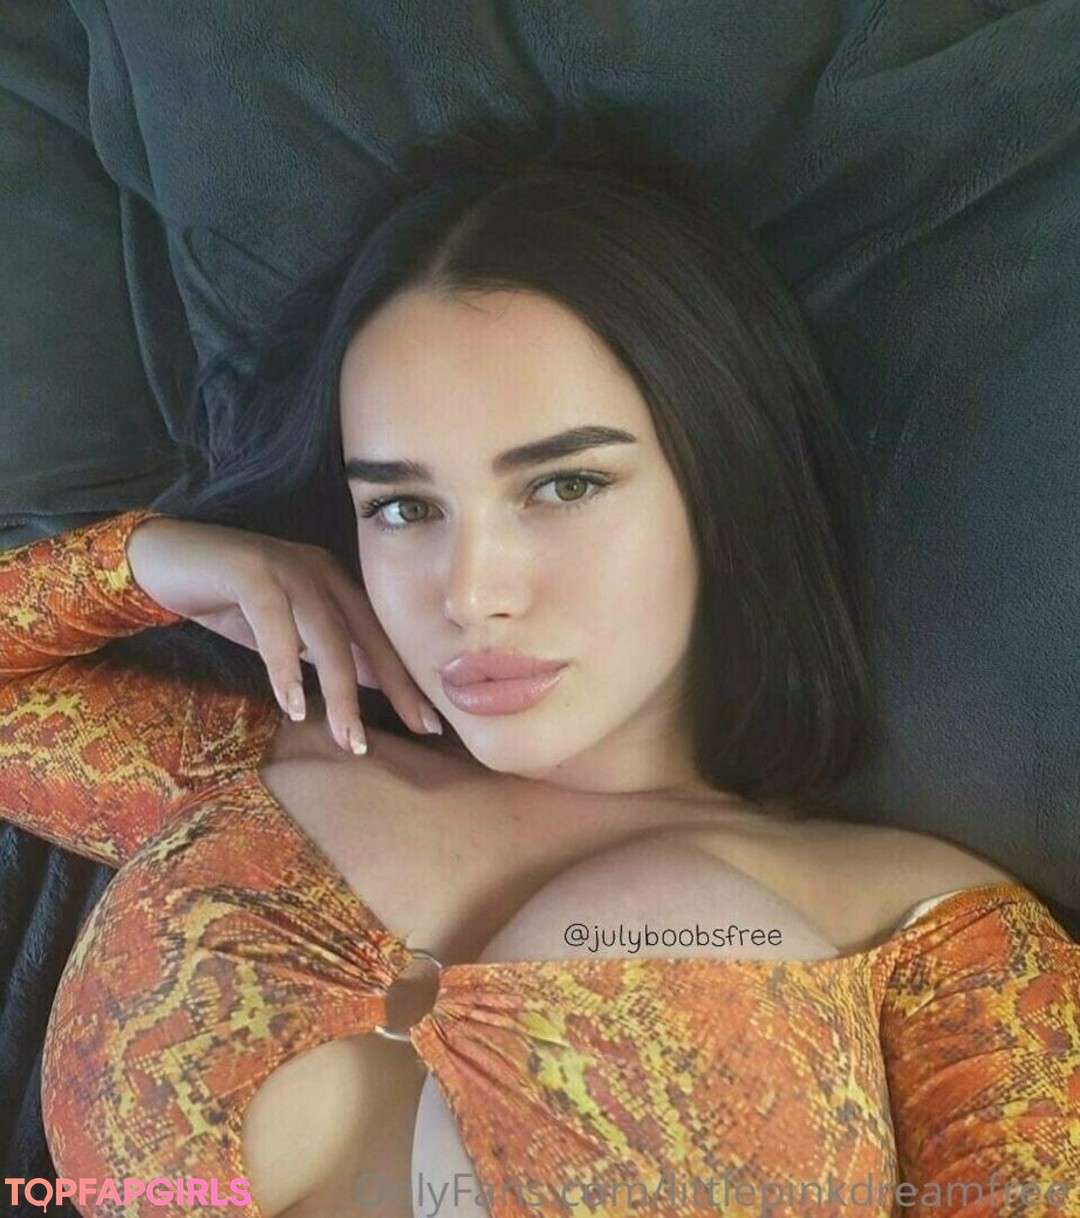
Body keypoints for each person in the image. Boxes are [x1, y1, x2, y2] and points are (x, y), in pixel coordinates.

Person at [1, 103, 1077, 1218]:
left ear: (721, 479)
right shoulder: (262, 773)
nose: (471, 594)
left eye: (565, 485)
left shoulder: (936, 939)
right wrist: (149, 560)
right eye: (404, 507)